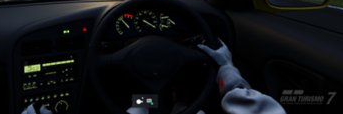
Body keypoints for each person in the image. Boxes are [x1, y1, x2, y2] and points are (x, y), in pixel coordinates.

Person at [22, 40, 286, 114]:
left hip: (141, 103)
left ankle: (152, 102)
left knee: (142, 105)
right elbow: (253, 107)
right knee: (183, 104)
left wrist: (143, 104)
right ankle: (177, 104)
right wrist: (226, 67)